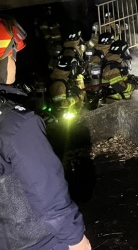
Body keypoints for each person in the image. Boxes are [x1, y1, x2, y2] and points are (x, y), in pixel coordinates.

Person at [0, 17, 91, 250]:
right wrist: (74, 237)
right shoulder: (17, 124)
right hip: (37, 242)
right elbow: (47, 189)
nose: (15, 62)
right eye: (12, 56)